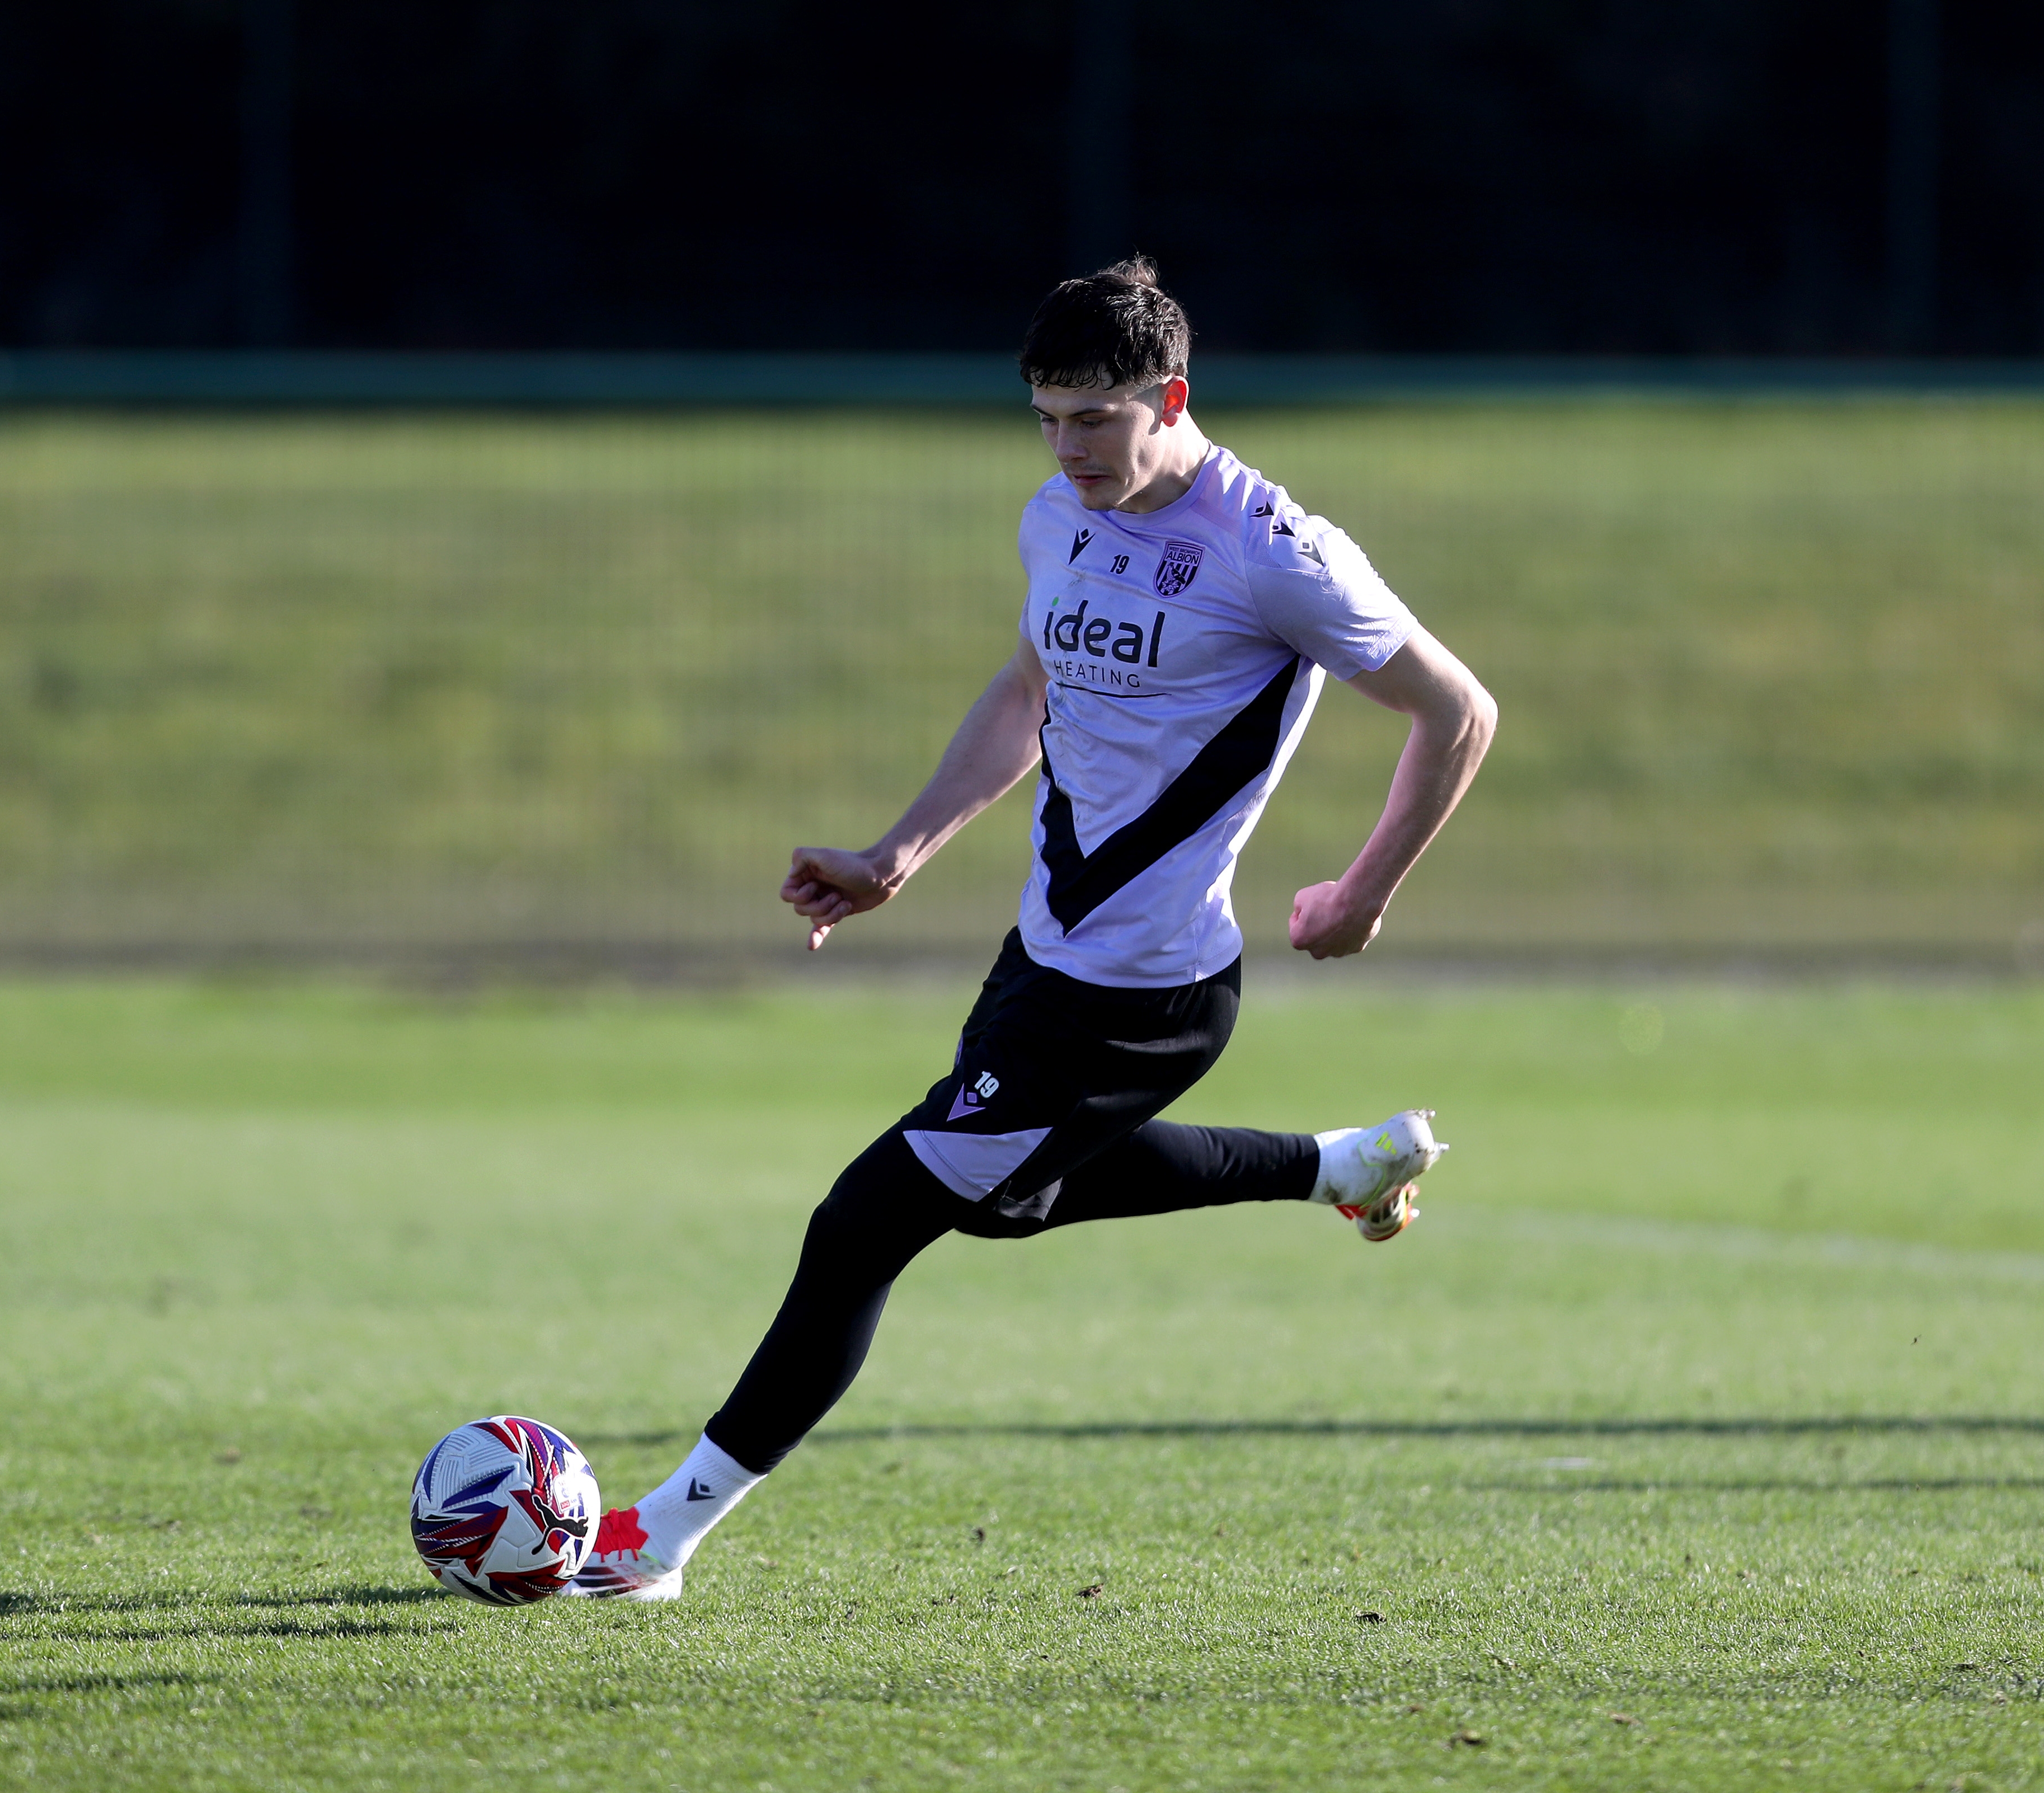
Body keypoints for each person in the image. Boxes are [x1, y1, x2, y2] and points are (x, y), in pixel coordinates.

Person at [566, 259, 1497, 1601]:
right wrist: (898, 854)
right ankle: (1339, 1166)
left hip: (1140, 997)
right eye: (1047, 420)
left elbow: (1458, 712)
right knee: (1010, 1199)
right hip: (1042, 963)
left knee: (862, 1225)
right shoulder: (1057, 519)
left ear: (1169, 399)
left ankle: (658, 1536)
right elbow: (1025, 694)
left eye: (1097, 420)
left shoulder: (1274, 551)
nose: (1069, 451)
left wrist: (1363, 893)